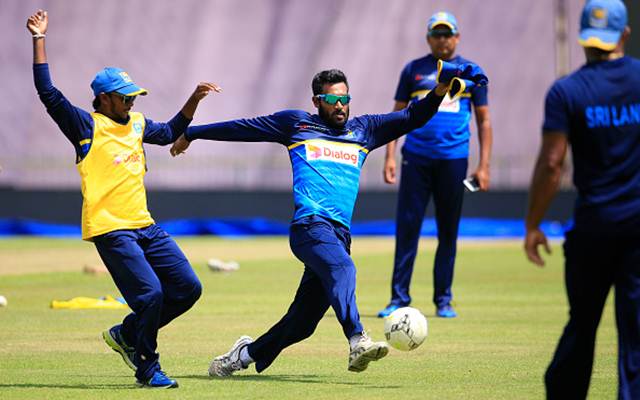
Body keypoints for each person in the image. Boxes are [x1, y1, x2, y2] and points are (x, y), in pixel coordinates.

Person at [171, 69, 467, 375]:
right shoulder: (296, 124)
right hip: (309, 227)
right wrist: (192, 133)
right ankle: (357, 339)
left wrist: (439, 91)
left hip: (339, 236)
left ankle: (241, 356)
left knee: (302, 324)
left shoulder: (365, 130)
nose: (340, 105)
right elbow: (244, 128)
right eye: (331, 99)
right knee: (343, 267)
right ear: (316, 101)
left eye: (344, 99)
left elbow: (412, 117)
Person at [27, 9, 220, 389]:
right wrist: (39, 39)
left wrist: (194, 99)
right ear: (104, 98)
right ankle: (147, 368)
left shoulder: (137, 123)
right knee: (150, 295)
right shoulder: (86, 125)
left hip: (144, 225)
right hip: (110, 228)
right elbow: (48, 94)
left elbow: (168, 134)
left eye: (134, 95)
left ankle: (127, 334)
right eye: (125, 97)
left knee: (188, 289)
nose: (132, 101)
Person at [524, 1, 640, 398]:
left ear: (583, 37)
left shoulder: (567, 91)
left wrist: (533, 223)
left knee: (583, 322)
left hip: (594, 229)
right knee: (635, 333)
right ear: (623, 35)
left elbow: (552, 164)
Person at [377, 11, 493, 319]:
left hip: (453, 161)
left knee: (448, 232)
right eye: (437, 34)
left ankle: (443, 300)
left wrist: (484, 165)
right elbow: (396, 116)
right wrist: (390, 156)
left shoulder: (470, 72)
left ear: (457, 37)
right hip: (415, 159)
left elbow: (484, 121)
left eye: (447, 34)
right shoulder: (414, 70)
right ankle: (398, 298)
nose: (442, 39)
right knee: (407, 230)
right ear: (429, 38)